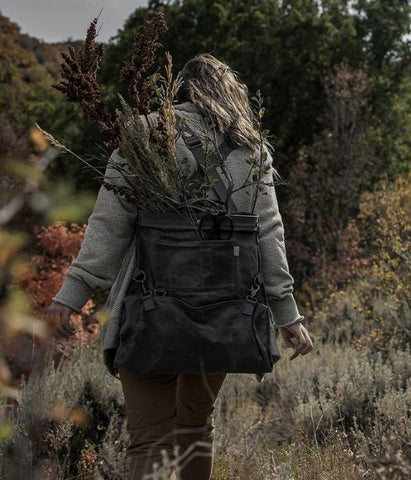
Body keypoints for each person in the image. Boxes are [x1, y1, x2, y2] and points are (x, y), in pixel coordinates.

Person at [46, 53, 313, 480]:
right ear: (229, 93)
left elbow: (108, 229)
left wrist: (70, 296)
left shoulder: (143, 133)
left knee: (150, 437)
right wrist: (288, 315)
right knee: (195, 429)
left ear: (179, 89)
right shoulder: (251, 150)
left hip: (149, 310)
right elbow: (268, 235)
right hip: (224, 315)